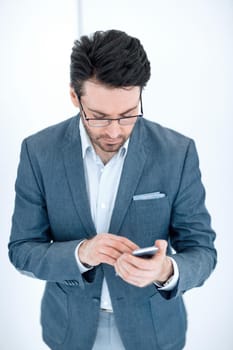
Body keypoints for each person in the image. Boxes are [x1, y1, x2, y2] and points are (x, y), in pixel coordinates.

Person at [9, 29, 217, 350]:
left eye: (127, 114)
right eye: (100, 117)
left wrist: (166, 270)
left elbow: (202, 251)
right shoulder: (38, 151)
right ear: (75, 98)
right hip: (69, 331)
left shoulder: (177, 152)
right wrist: (81, 254)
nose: (115, 131)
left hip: (154, 333)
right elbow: (22, 249)